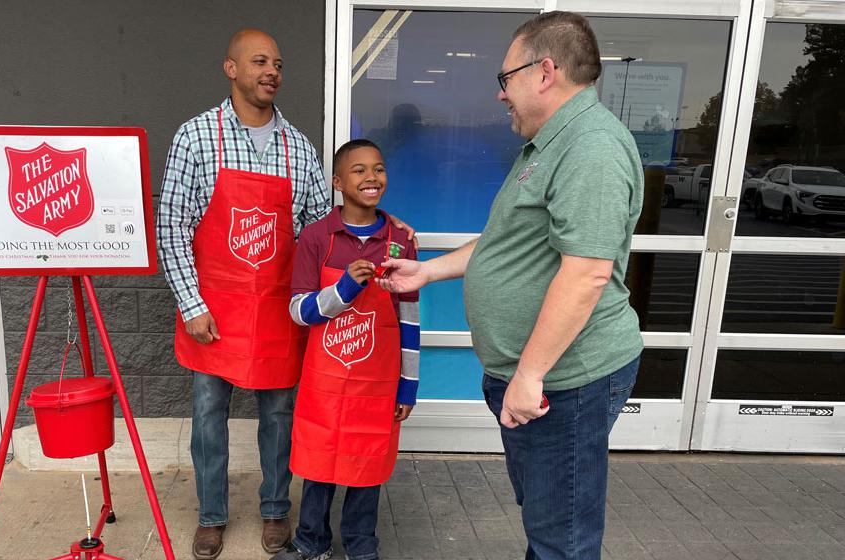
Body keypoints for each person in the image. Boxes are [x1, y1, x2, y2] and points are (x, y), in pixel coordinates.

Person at [378, 11, 644, 559]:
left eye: (506, 79)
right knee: (548, 523)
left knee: (561, 540)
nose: (500, 95)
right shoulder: (546, 146)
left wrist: (530, 374)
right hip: (540, 382)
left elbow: (587, 272)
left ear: (544, 72)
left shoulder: (590, 149)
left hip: (563, 385)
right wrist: (428, 271)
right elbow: (505, 243)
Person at [157, 29, 413, 560]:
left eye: (278, 63)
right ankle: (211, 515)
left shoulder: (298, 147)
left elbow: (322, 227)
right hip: (215, 311)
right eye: (259, 62)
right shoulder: (196, 137)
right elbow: (172, 228)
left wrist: (385, 226)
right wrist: (192, 304)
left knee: (279, 415)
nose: (272, 71)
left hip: (281, 311)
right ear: (231, 69)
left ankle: (276, 509)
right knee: (208, 416)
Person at [273, 139, 419, 560]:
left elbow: (409, 318)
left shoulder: (400, 241)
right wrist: (344, 290)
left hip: (378, 383)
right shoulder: (318, 238)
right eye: (358, 170)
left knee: (366, 465)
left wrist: (408, 386)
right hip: (326, 383)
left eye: (378, 168)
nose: (371, 177)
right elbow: (299, 310)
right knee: (319, 464)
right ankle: (310, 542)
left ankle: (360, 545)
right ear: (337, 182)